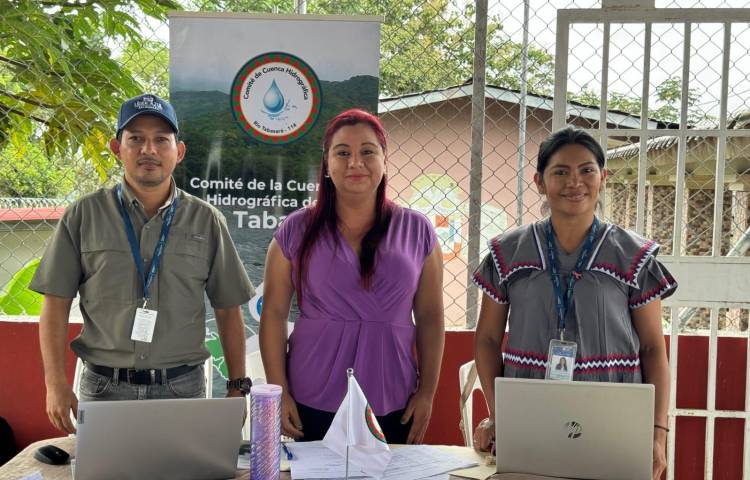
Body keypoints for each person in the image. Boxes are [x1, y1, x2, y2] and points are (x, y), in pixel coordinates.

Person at [30, 94, 255, 434]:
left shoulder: (206, 221)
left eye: (160, 140)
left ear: (178, 152)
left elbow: (228, 308)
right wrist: (55, 383)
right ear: (116, 148)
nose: (148, 149)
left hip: (182, 390)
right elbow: (55, 305)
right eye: (135, 139)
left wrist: (238, 384)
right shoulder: (83, 216)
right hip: (104, 390)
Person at [472, 127, 676, 479]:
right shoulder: (507, 252)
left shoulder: (633, 255)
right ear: (539, 181)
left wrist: (658, 432)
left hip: (614, 414)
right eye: (560, 172)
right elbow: (487, 340)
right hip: (531, 412)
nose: (574, 182)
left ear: (603, 177)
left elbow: (653, 347)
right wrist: (499, 414)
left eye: (586, 170)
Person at [259, 108, 445, 444]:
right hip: (312, 392)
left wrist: (427, 392)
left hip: (392, 393)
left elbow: (431, 317)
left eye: (367, 151)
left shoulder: (418, 231)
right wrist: (279, 391)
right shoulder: (295, 230)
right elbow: (272, 314)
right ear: (327, 165)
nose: (355, 162)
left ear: (385, 160)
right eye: (342, 152)